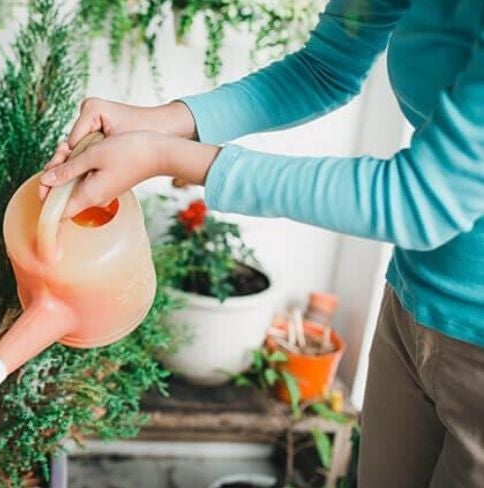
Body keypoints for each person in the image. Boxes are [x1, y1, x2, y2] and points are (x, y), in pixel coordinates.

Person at [38, 0, 484, 486]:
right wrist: (164, 121)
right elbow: (323, 68)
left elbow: (419, 200)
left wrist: (171, 157)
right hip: (412, 298)